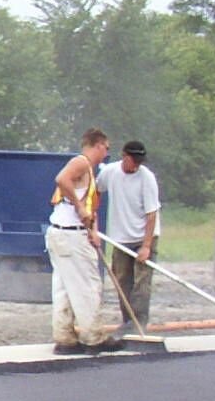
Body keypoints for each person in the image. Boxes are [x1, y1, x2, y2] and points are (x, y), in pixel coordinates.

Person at [47, 128, 119, 354]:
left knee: (64, 289)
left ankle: (65, 339)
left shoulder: (91, 172)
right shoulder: (81, 162)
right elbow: (61, 179)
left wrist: (93, 231)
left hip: (62, 234)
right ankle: (93, 337)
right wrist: (78, 207)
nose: (106, 153)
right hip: (70, 236)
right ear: (97, 145)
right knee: (88, 286)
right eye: (106, 148)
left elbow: (90, 209)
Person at [97, 140, 160, 333]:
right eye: (134, 161)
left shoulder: (147, 178)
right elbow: (97, 191)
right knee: (122, 281)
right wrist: (91, 218)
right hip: (121, 237)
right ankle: (127, 321)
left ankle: (139, 323)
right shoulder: (110, 172)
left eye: (140, 161)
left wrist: (146, 246)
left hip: (144, 236)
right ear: (124, 157)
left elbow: (151, 214)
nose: (137, 165)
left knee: (141, 283)